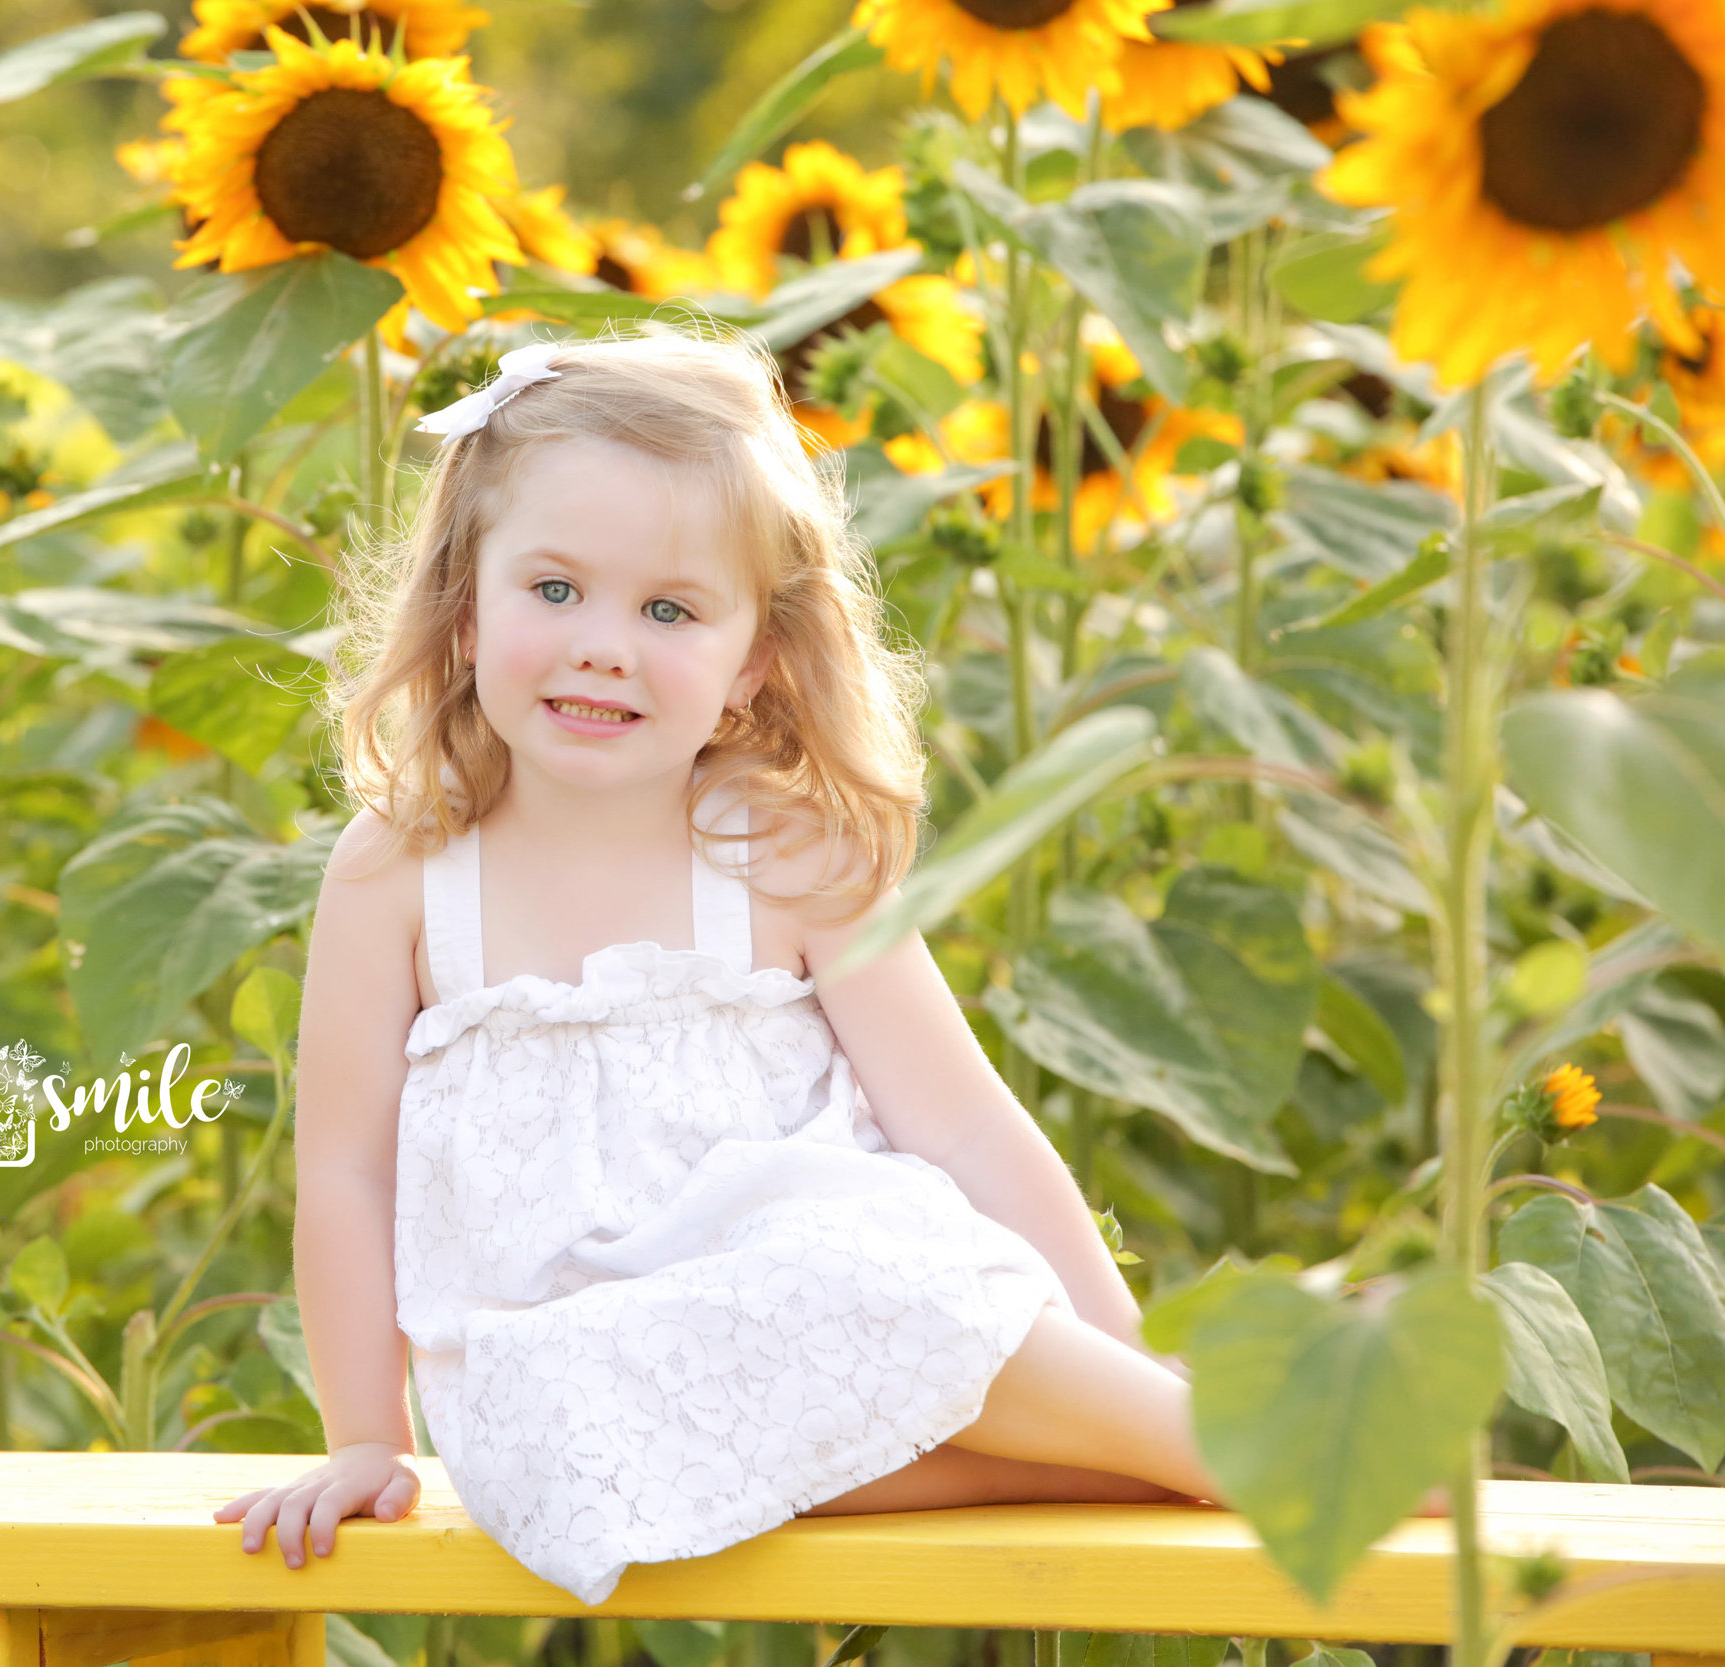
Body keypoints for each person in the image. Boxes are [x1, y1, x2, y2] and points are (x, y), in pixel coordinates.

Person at [213, 326, 1221, 1608]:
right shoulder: (400, 869)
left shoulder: (779, 847)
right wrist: (365, 1437)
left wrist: (1123, 1345)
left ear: (752, 659)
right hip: (578, 1377)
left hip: (840, 1305)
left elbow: (963, 1126)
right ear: (466, 610)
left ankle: (1173, 1427)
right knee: (559, 1435)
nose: (603, 644)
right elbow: (344, 1169)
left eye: (670, 610)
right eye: (556, 590)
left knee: (849, 1271)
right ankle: (1159, 1457)